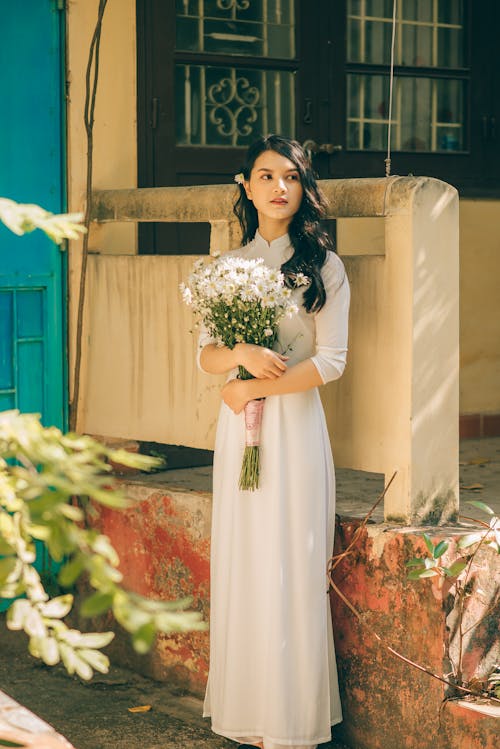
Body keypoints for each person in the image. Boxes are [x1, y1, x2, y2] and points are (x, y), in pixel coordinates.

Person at [198, 134, 350, 749]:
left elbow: (333, 362)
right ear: (246, 185)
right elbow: (207, 355)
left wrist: (258, 388)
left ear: (303, 187)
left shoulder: (324, 266)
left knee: (291, 560)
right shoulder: (226, 266)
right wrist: (239, 359)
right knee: (245, 561)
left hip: (292, 428)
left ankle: (290, 723)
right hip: (240, 433)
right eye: (265, 176)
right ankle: (250, 716)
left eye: (291, 176)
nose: (279, 187)